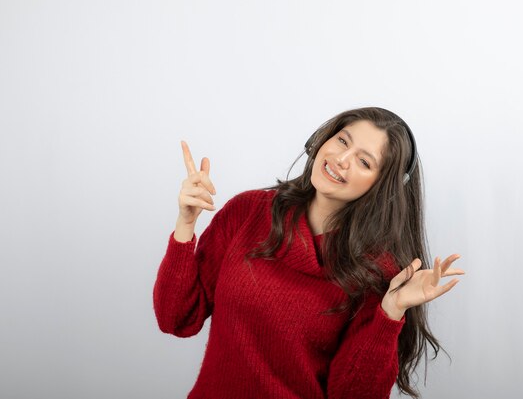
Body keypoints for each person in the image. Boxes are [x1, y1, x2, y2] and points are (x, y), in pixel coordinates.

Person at [153, 107, 465, 399]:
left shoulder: (378, 272)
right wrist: (186, 224)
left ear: (383, 186)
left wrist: (391, 311)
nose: (342, 158)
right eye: (342, 140)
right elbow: (176, 319)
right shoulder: (248, 211)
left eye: (364, 161)